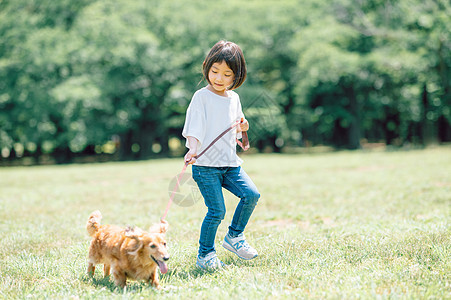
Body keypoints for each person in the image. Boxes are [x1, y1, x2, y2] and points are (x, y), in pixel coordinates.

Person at [182, 40, 260, 270]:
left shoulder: (234, 98)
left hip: (229, 163)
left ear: (237, 76)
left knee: (251, 195)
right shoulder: (201, 97)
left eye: (227, 74)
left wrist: (243, 127)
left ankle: (234, 237)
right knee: (217, 211)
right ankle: (205, 256)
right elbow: (195, 125)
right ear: (207, 67)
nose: (219, 78)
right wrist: (192, 149)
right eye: (215, 71)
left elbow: (234, 124)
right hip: (205, 165)